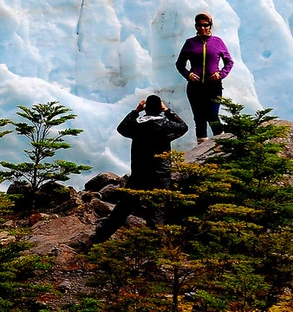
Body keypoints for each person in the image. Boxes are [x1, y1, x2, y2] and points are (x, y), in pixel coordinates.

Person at [91, 95, 188, 243]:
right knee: (157, 210)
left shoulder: (136, 126)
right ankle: (155, 246)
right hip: (161, 175)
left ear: (145, 109)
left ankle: (100, 237)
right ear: (160, 109)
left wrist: (135, 111)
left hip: (139, 173)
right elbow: (183, 127)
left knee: (124, 208)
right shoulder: (166, 126)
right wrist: (168, 111)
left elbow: (121, 127)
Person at [175, 12, 234, 141]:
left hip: (214, 87)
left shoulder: (217, 42)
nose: (202, 28)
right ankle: (201, 152)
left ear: (210, 25)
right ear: (195, 26)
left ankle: (221, 147)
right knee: (199, 118)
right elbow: (179, 64)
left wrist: (221, 74)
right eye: (199, 25)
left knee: (213, 116)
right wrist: (188, 74)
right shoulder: (190, 43)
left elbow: (229, 62)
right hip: (195, 88)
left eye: (205, 25)